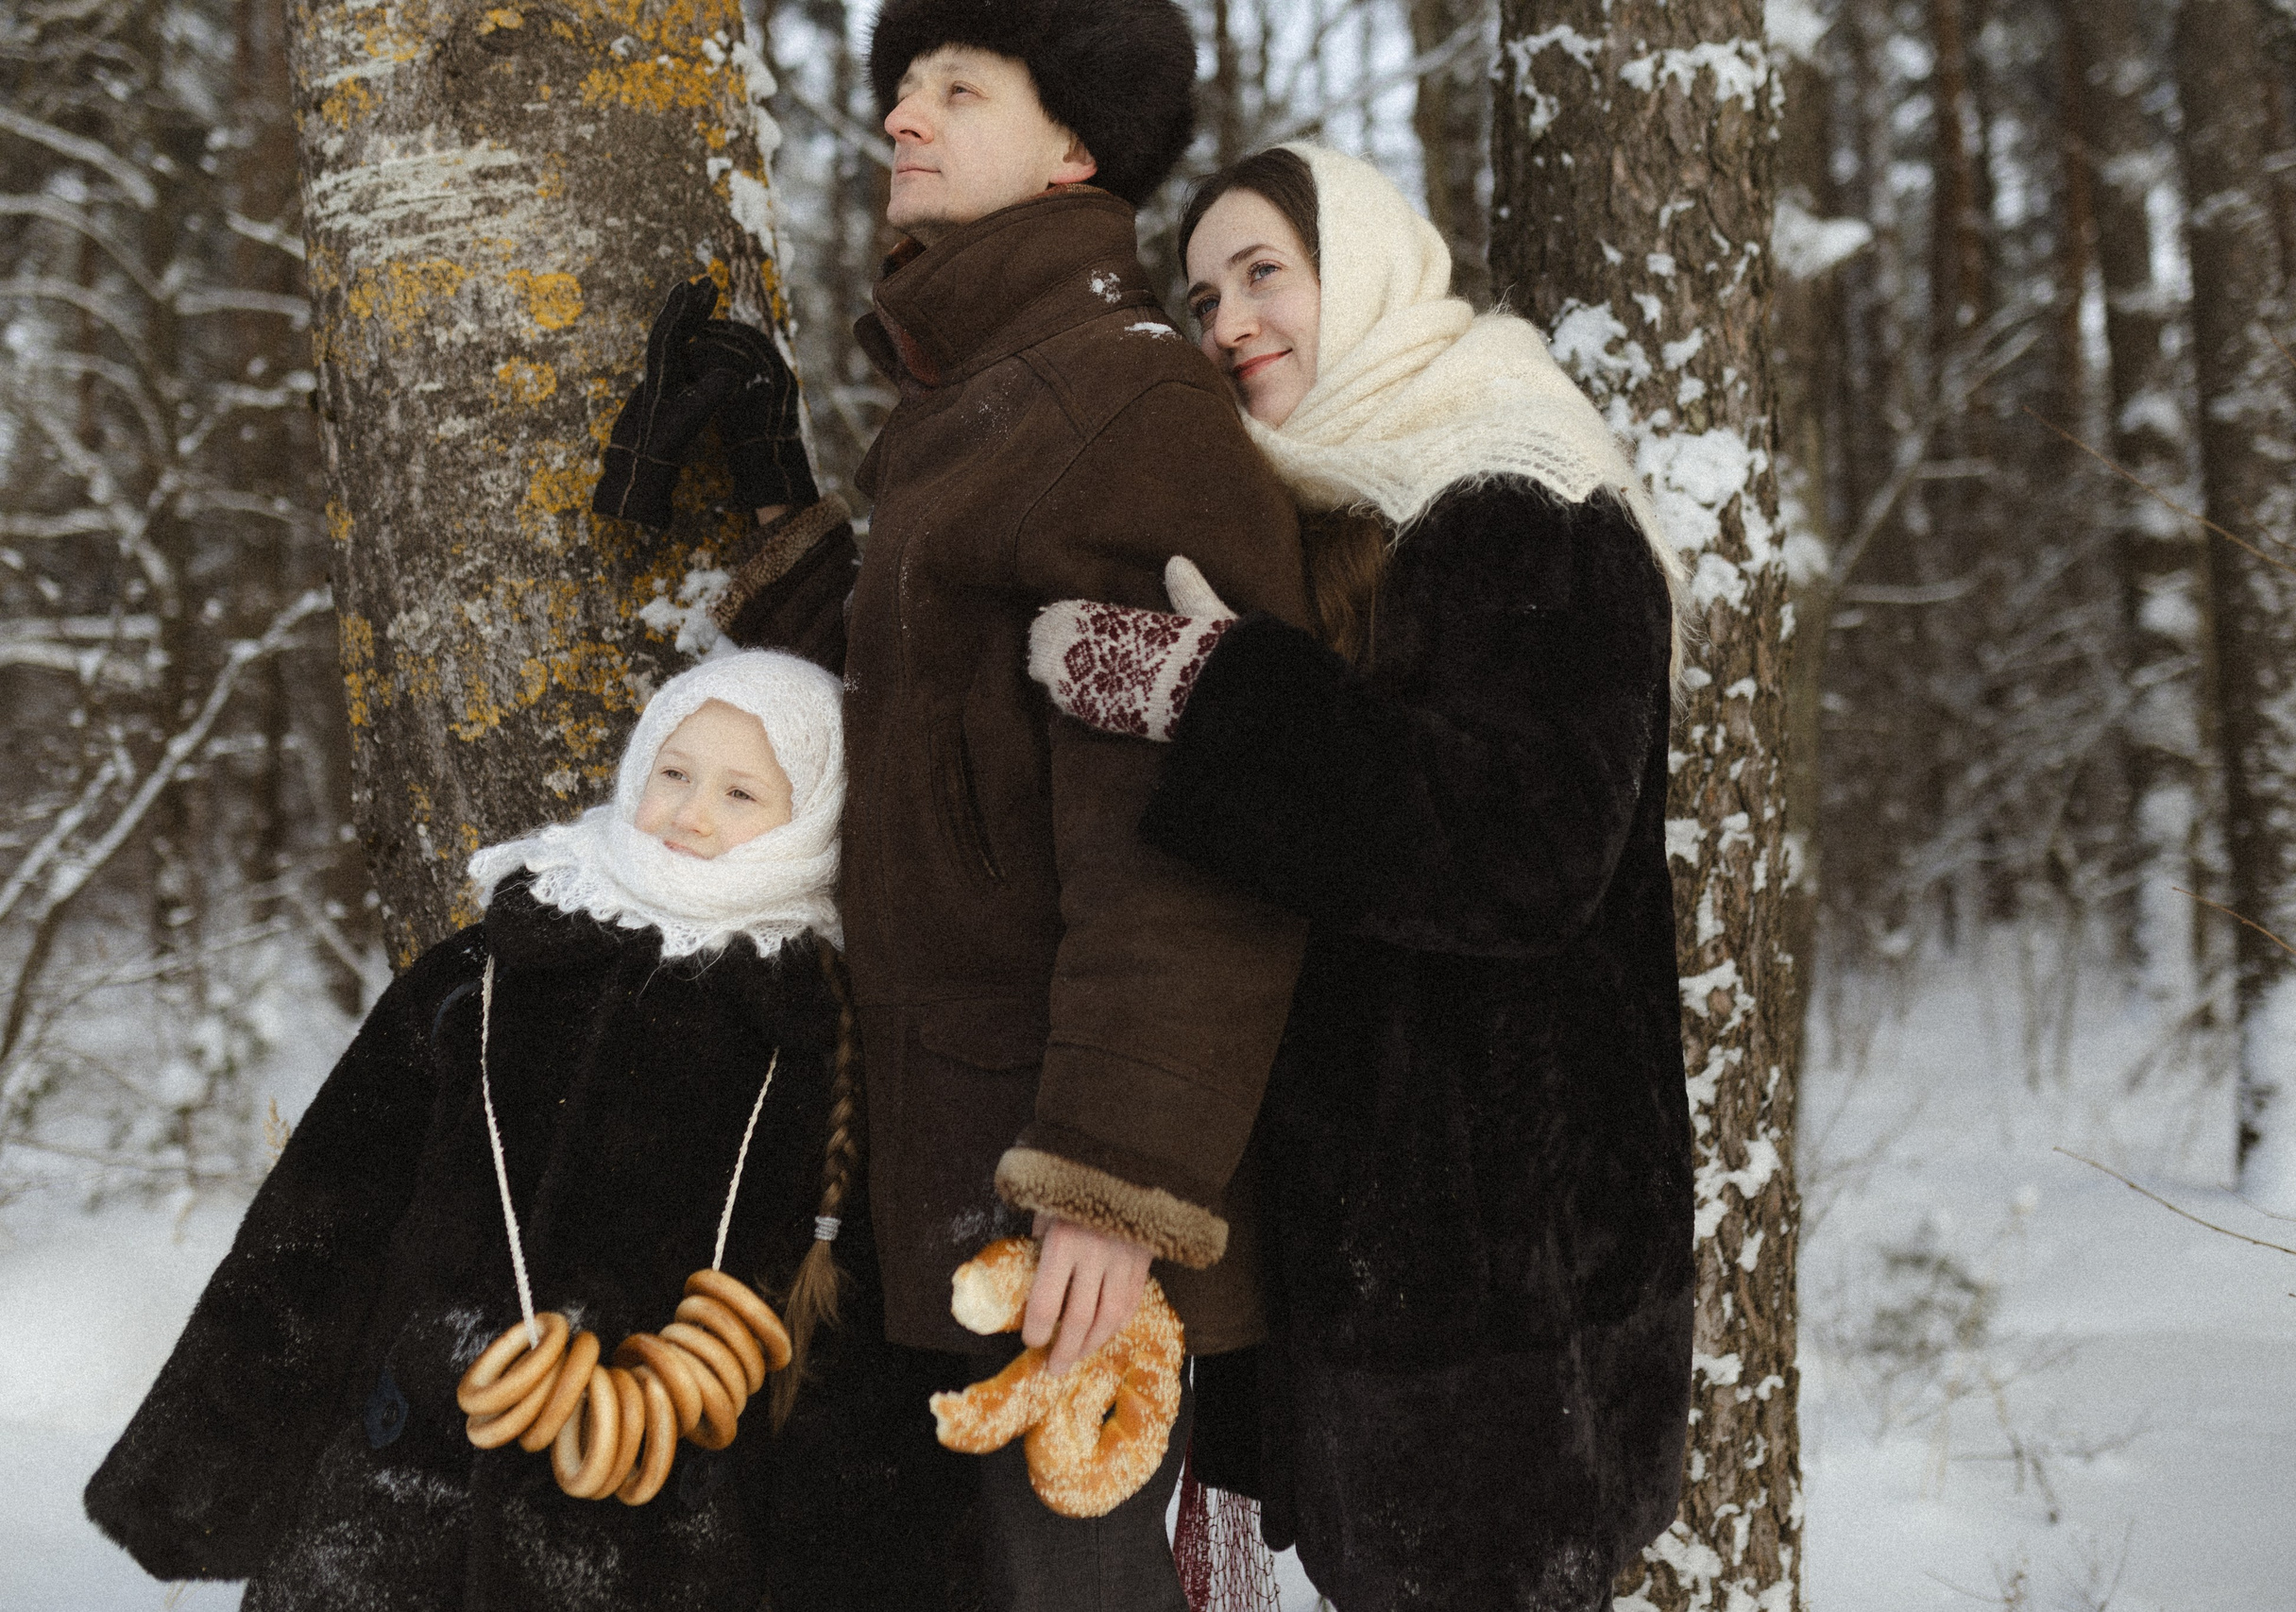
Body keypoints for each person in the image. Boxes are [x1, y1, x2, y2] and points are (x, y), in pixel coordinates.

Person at [689, 2, 1315, 1605]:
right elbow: (929, 738)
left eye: (957, 87)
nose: (901, 117)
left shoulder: (1130, 408)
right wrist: (777, 510)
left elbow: (1200, 847)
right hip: (944, 1166)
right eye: (900, 87)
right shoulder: (983, 411)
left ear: (1075, 146)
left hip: (1063, 1211)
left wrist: (1110, 1189)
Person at [1025, 144, 1699, 1610]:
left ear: (1374, 267)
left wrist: (1220, 696)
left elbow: (1522, 851)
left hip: (1515, 1295)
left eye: (1269, 272)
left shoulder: (1521, 493)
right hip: (1385, 1280)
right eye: (1202, 297)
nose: (1232, 322)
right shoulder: (1332, 502)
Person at [83, 651, 969, 1611]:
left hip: (654, 1541)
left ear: (811, 821)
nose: (691, 812)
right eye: (672, 772)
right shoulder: (491, 969)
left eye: (742, 792)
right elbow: (324, 1216)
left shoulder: (818, 1033)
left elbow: (854, 1356)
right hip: (402, 1493)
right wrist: (198, 1478)